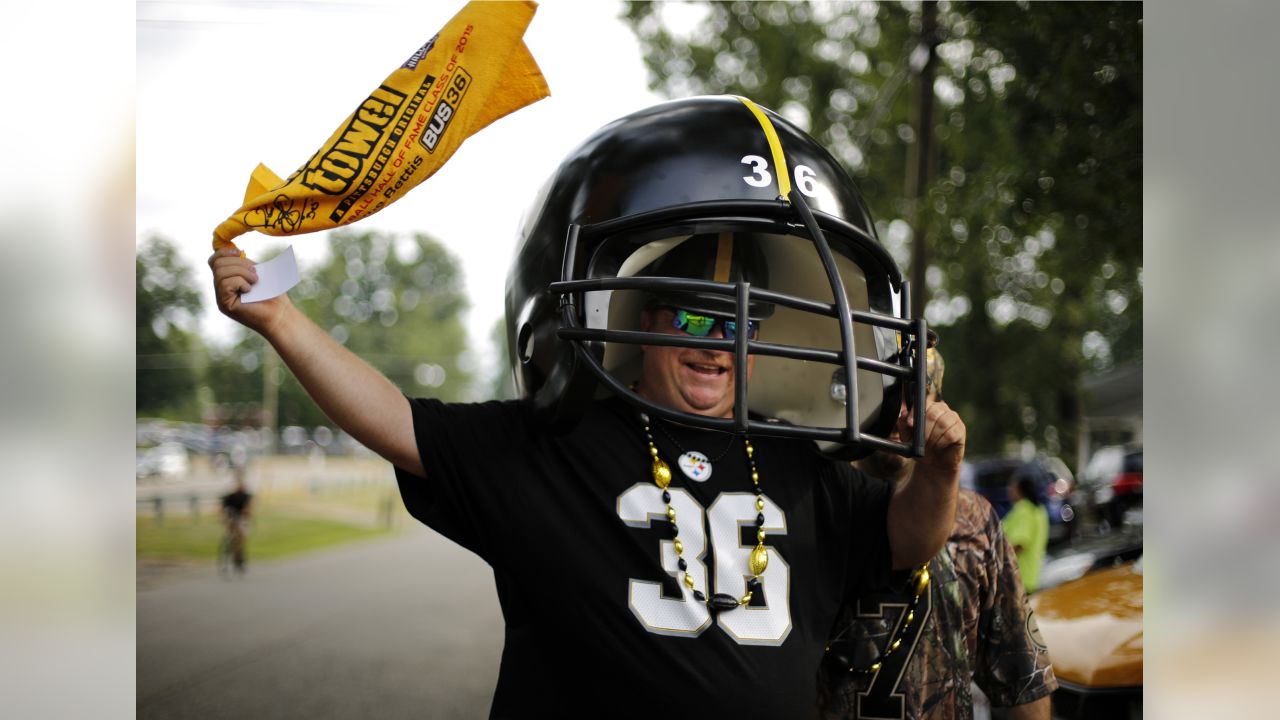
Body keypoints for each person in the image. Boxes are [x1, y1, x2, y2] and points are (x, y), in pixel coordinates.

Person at [209, 95, 965, 717]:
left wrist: (940, 469)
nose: (715, 345)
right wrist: (280, 318)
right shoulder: (562, 445)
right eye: (694, 317)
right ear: (639, 320)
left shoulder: (795, 458)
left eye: (738, 324)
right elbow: (395, 420)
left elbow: (904, 543)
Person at [819, 348, 1056, 719]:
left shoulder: (974, 520)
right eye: (884, 392)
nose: (900, 412)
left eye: (914, 395)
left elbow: (1022, 680)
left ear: (937, 404)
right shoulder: (812, 506)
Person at [1003, 475, 1050, 593]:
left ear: (1019, 490)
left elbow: (1020, 543)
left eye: (1012, 488)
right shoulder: (1039, 510)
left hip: (1016, 577)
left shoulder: (1023, 509)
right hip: (1032, 575)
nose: (1010, 491)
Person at [220, 473, 253, 573]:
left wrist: (246, 513)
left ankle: (239, 555)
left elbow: (249, 507)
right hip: (232, 517)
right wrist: (222, 518)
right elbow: (221, 508)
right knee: (231, 531)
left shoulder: (246, 496)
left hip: (243, 518)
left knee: (241, 536)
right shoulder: (229, 496)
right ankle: (231, 546)